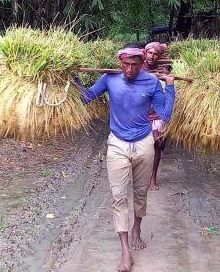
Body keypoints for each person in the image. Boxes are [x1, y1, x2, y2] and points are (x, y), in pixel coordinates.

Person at [74, 44, 175, 272]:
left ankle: (137, 228)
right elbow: (86, 97)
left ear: (142, 65)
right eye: (126, 64)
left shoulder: (151, 82)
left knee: (140, 192)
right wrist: (74, 77)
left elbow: (165, 114)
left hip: (143, 143)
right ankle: (125, 250)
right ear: (120, 63)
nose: (129, 69)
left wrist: (170, 87)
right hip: (117, 143)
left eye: (134, 65)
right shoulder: (110, 80)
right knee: (118, 196)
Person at [149, 63, 172, 191]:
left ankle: (153, 178)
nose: (161, 71)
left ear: (169, 71)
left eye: (164, 69)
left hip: (160, 119)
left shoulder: (170, 84)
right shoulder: (150, 80)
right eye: (159, 69)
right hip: (144, 118)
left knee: (157, 146)